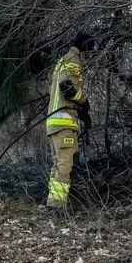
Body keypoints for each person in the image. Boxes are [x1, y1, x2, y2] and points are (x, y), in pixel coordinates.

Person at [44, 31, 96, 210]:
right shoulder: (73, 61)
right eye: (90, 52)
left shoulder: (62, 61)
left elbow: (58, 91)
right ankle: (58, 208)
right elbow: (68, 88)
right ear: (85, 49)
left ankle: (52, 203)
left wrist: (79, 111)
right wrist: (84, 102)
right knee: (64, 167)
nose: (90, 57)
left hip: (54, 122)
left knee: (57, 166)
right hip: (64, 122)